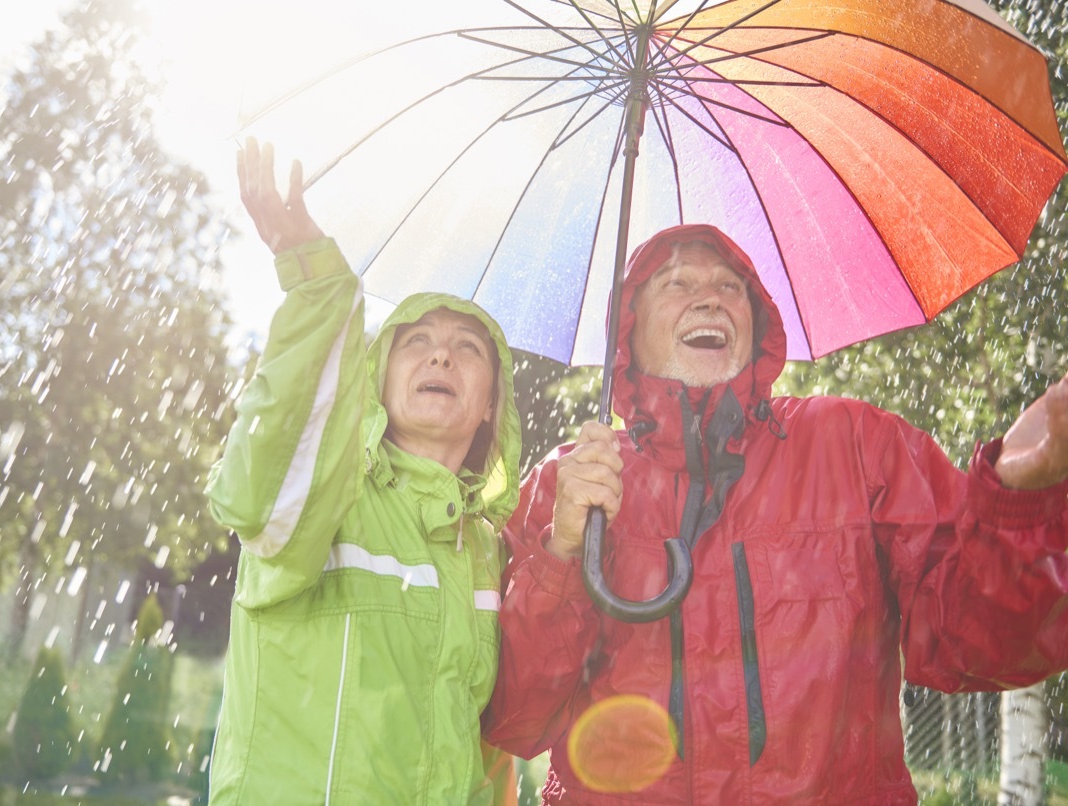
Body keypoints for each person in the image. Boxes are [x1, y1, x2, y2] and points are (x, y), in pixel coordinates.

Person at [483, 224, 1068, 804]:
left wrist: (1016, 498)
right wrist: (562, 555)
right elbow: (514, 719)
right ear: (628, 335)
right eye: (676, 283)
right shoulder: (570, 484)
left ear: (755, 324)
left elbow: (978, 644)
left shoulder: (857, 446)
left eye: (730, 288)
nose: (709, 298)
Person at [206, 138, 523, 805]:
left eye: (468, 349)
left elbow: (494, 754)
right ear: (378, 383)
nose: (441, 358)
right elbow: (254, 494)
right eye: (417, 343)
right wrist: (320, 289)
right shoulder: (332, 498)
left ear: (492, 402)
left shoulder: (498, 555)